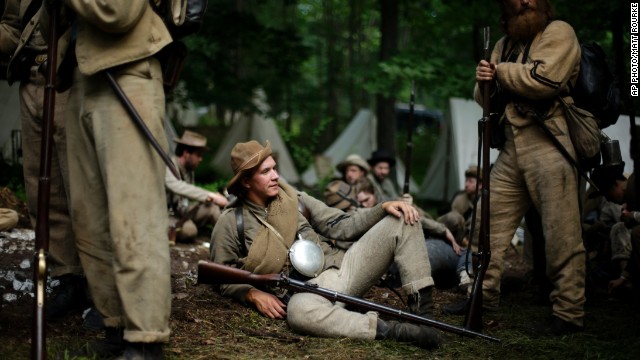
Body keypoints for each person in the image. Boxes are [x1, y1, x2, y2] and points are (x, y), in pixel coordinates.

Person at [210, 140, 443, 349]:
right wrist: (251, 293)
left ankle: (424, 317)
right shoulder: (231, 222)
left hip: (341, 271)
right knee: (299, 313)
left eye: (274, 168)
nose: (275, 176)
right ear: (247, 181)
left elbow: (341, 224)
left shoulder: (294, 199)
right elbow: (222, 275)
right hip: (304, 295)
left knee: (404, 217)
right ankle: (398, 332)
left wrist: (381, 208)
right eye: (266, 171)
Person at [42, 1, 173, 358]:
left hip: (128, 74)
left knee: (135, 218)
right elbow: (46, 32)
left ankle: (145, 338)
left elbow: (117, 12)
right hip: (84, 78)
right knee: (90, 218)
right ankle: (116, 324)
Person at [472, 0, 585, 334]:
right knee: (486, 222)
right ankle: (482, 297)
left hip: (550, 141)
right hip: (512, 146)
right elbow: (485, 98)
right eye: (516, 5)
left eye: (529, 3)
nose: (523, 5)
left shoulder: (559, 32)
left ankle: (568, 312)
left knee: (561, 233)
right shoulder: (504, 44)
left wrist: (499, 73)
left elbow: (544, 79)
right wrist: (482, 80)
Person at [1, 0, 88, 321]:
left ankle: (98, 280)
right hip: (31, 78)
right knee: (41, 187)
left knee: (77, 185)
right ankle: (68, 277)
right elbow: (12, 30)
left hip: (71, 77)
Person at [355, 178, 471, 292]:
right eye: (361, 202)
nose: (364, 205)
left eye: (367, 200)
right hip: (397, 261)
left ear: (374, 194)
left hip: (417, 246)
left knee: (460, 245)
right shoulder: (360, 214)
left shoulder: (388, 206)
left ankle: (464, 274)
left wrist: (443, 229)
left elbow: (420, 220)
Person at [166, 130, 228, 244]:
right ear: (186, 153)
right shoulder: (168, 166)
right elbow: (176, 186)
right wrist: (210, 195)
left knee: (212, 208)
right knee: (190, 230)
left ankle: (228, 240)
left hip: (180, 210)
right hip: (165, 214)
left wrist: (209, 199)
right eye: (198, 155)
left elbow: (186, 197)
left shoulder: (189, 171)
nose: (201, 159)